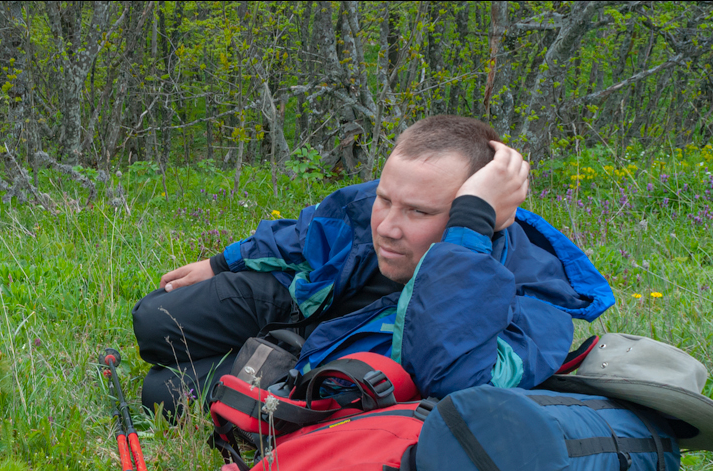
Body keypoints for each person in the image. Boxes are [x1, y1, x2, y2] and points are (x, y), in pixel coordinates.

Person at [132, 115, 612, 416]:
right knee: (154, 320)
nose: (388, 225)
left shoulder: (538, 301)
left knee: (161, 390)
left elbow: (454, 380)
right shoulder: (386, 202)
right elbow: (313, 229)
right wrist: (221, 262)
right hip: (305, 311)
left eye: (419, 212)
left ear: (477, 212)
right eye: (386, 199)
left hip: (321, 371)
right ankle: (246, 344)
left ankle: (253, 360)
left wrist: (466, 238)